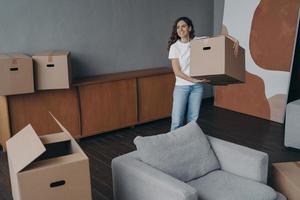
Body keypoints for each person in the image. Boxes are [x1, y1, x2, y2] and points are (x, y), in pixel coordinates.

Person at [168, 17, 238, 130]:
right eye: (178, 27)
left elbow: (218, 37)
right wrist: (194, 80)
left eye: (183, 26)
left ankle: (189, 143)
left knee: (193, 120)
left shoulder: (198, 42)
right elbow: (178, 72)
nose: (180, 29)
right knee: (177, 121)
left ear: (189, 28)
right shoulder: (174, 47)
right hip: (182, 87)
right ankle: (173, 145)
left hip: (197, 87)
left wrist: (235, 40)